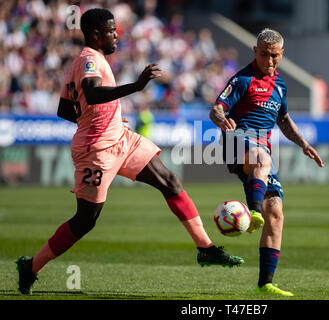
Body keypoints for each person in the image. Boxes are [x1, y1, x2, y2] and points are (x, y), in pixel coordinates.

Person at [15, 8, 243, 295]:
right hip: (97, 150)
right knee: (85, 221)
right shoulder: (89, 60)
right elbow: (93, 92)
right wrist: (135, 86)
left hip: (119, 137)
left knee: (170, 181)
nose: (116, 35)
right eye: (111, 31)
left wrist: (99, 118)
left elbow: (64, 108)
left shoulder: (87, 60)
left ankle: (205, 248)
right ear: (97, 35)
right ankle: (31, 266)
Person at [209, 28, 324, 296]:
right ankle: (253, 212)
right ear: (254, 51)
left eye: (274, 56)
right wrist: (221, 120)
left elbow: (283, 120)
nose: (269, 61)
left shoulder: (280, 85)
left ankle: (266, 283)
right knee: (262, 158)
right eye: (263, 55)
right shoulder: (242, 80)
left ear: (282, 54)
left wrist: (303, 144)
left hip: (262, 150)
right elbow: (216, 108)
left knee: (276, 213)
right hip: (236, 142)